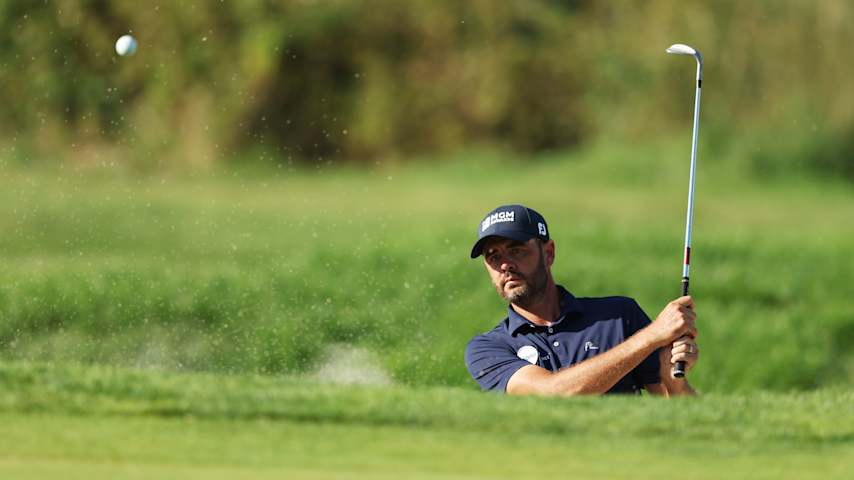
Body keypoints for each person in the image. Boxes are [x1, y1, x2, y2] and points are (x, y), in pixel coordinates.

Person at [464, 204, 698, 396]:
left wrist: (674, 379)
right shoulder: (488, 348)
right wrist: (651, 337)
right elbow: (552, 395)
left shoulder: (619, 315)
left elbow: (682, 415)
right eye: (493, 256)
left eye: (516, 250)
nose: (505, 265)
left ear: (548, 253)